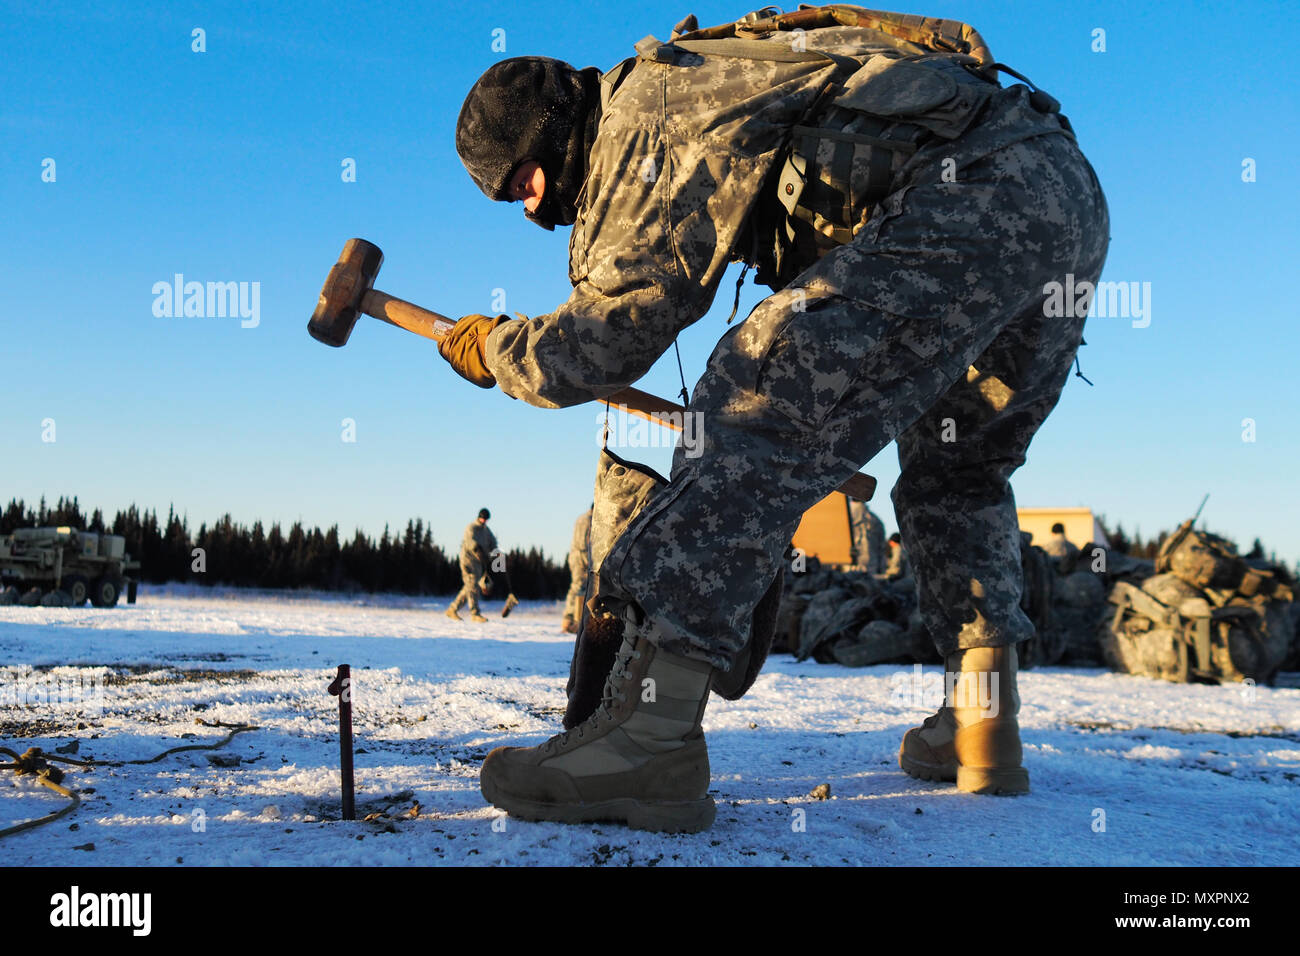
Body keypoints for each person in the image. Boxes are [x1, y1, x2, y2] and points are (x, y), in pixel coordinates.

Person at [441, 5, 1109, 830]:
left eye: (524, 181)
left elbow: (620, 328)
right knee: (957, 468)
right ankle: (982, 727)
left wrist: (500, 351)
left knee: (751, 393)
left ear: (554, 133)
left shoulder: (646, 108)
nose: (536, 209)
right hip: (1058, 193)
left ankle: (649, 741)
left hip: (970, 194)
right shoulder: (702, 82)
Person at [446, 508, 496, 623]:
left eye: (486, 519)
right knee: (472, 584)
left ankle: (452, 609)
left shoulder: (486, 531)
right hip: (467, 560)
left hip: (478, 562)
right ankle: (475, 614)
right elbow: (470, 542)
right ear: (479, 517)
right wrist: (478, 550)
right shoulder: (471, 528)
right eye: (482, 518)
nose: (484, 521)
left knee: (471, 587)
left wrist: (495, 552)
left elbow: (492, 542)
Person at [562, 506, 594, 633]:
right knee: (580, 588)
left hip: (574, 556)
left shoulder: (580, 518)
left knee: (575, 587)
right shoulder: (591, 519)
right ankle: (574, 622)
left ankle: (569, 619)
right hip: (582, 556)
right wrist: (589, 561)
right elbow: (586, 542)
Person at [848, 497, 885, 574]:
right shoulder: (876, 520)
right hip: (871, 568)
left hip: (849, 568)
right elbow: (881, 548)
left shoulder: (845, 517)